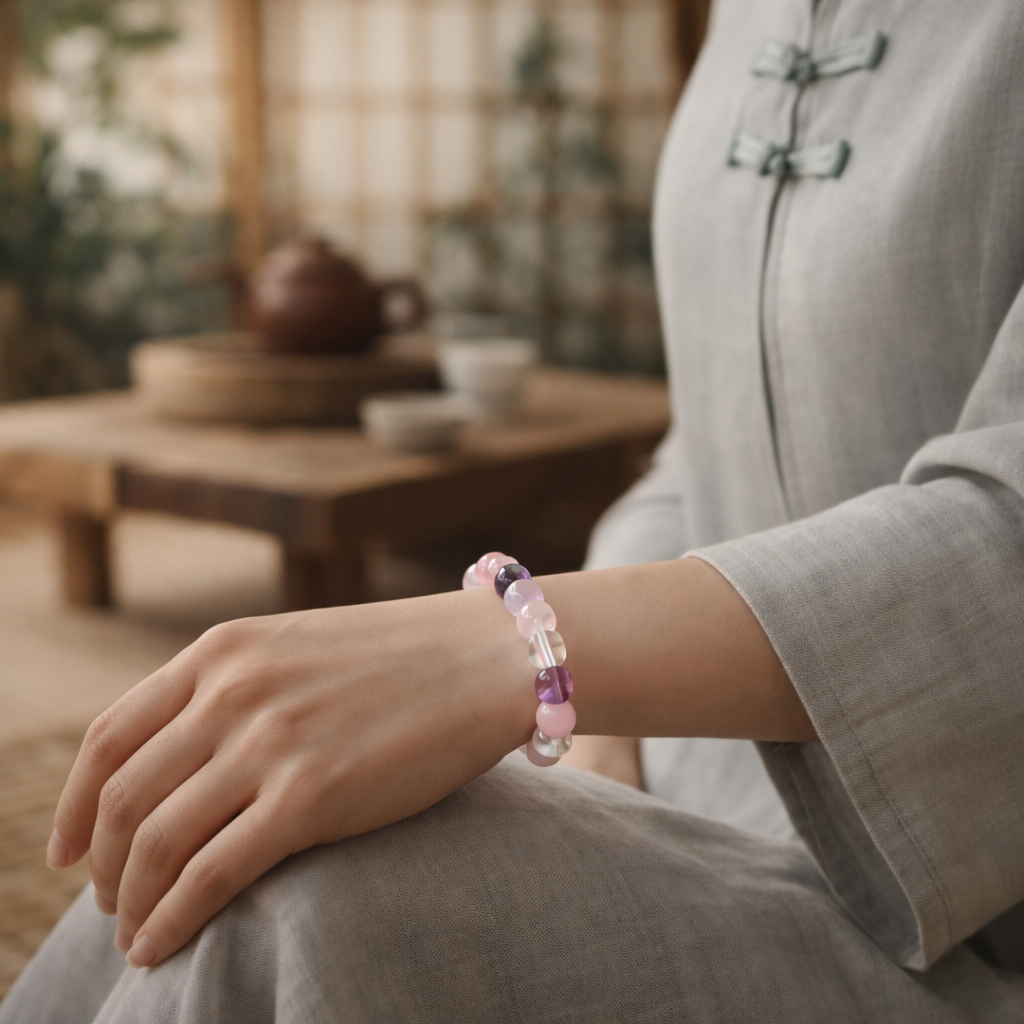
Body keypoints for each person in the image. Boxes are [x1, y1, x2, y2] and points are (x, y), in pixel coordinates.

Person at [3, 0, 1024, 1020]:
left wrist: (517, 652)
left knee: (295, 903)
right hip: (674, 789)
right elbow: (699, 453)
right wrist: (598, 726)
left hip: (975, 918)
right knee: (229, 824)